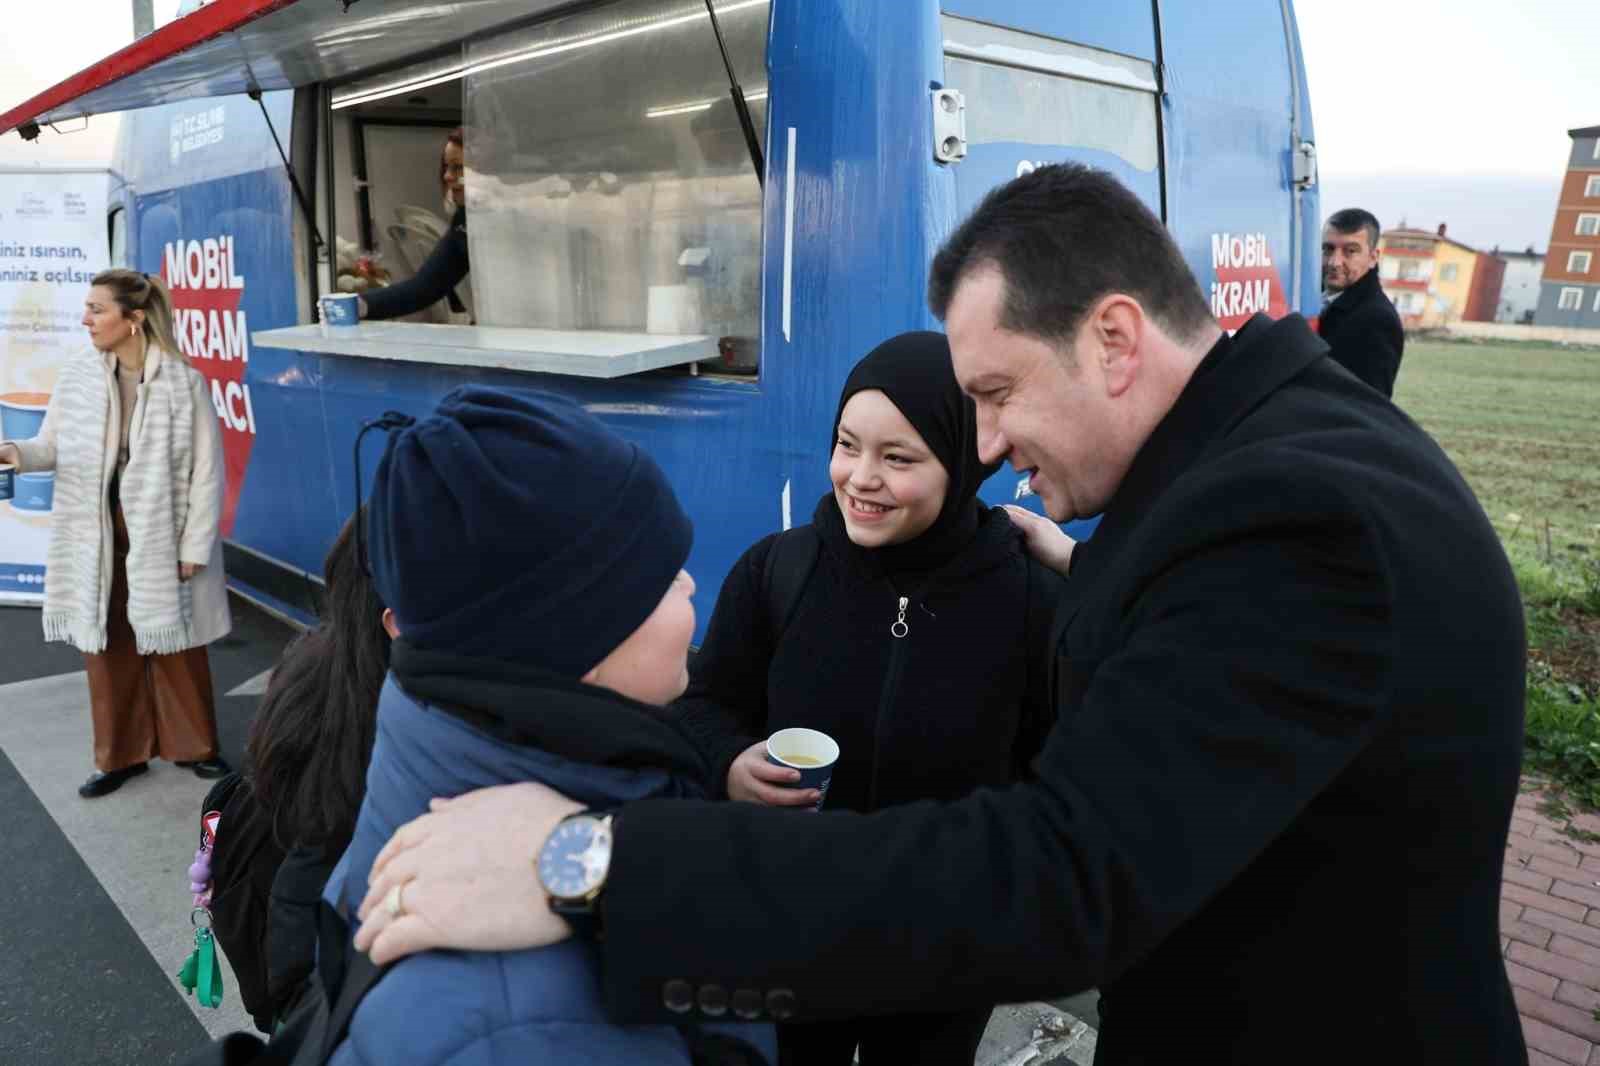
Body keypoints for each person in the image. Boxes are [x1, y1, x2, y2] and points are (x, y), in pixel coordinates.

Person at [349, 165, 1529, 1064]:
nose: (991, 446)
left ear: (1114, 338)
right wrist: (1098, 568)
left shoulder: (1282, 517)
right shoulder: (1277, 460)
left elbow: (1060, 873)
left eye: (996, 395)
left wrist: (596, 863)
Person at [320, 386, 776, 1065]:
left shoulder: (432, 742)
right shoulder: (523, 1029)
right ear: (573, 644)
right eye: (659, 577)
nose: (687, 586)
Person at [674, 330, 1063, 1065]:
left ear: (959, 462)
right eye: (848, 445)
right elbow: (699, 706)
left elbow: (1053, 775)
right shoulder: (778, 572)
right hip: (791, 927)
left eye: (898, 458)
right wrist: (729, 762)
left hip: (944, 947)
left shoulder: (1026, 599)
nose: (859, 477)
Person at [0, 270, 232, 798]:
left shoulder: (182, 380)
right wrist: (16, 453)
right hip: (96, 527)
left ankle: (196, 747)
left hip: (161, 529)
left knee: (175, 640)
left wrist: (194, 546)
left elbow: (207, 470)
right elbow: (52, 444)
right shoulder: (80, 374)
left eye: (97, 310)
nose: (86, 319)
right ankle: (120, 755)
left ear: (134, 320)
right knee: (105, 643)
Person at [197, 512, 393, 1032]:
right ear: (396, 618)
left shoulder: (314, 662)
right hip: (322, 979)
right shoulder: (397, 716)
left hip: (280, 956)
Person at [357, 127, 471, 323]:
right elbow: (424, 288)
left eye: (457, 167)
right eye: (446, 167)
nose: (447, 176)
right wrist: (358, 305)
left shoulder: (522, 215)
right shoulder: (464, 222)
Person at [1319, 207, 1405, 396]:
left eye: (1350, 251)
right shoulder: (1310, 295)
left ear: (1373, 258)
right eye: (1328, 249)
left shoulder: (1377, 320)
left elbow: (1369, 407)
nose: (1334, 262)